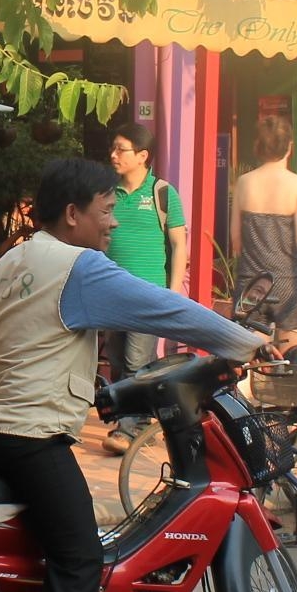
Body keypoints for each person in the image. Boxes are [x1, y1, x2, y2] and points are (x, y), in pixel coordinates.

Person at [0, 157, 268, 592]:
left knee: (47, 545)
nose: (112, 227)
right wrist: (245, 342)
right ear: (72, 214)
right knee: (79, 559)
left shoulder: (4, 265)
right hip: (31, 433)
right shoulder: (80, 267)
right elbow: (166, 310)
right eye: (105, 213)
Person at [102, 124, 188, 452]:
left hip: (148, 293)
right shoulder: (108, 191)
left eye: (120, 149)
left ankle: (128, 429)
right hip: (112, 293)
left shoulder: (162, 193)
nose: (113, 155)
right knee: (120, 361)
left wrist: (172, 290)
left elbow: (180, 244)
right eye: (113, 148)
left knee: (137, 360)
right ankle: (142, 418)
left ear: (142, 156)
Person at [231, 115, 297, 346]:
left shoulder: (244, 182)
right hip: (291, 283)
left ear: (257, 147)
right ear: (289, 147)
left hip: (252, 283)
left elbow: (235, 237)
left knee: (245, 364)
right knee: (293, 364)